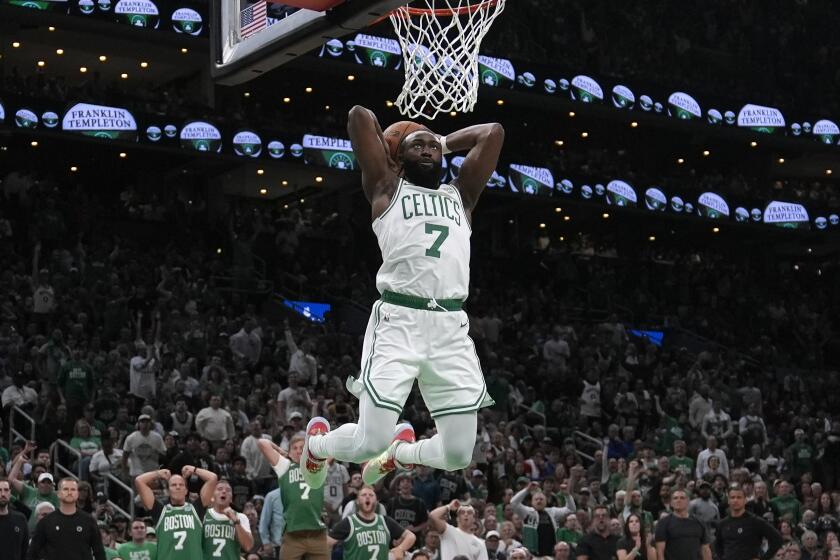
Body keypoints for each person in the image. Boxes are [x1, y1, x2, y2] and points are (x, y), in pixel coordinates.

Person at [304, 106, 505, 488]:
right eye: (418, 146)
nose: (429, 149)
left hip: (449, 326)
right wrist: (389, 144)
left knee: (458, 453)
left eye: (434, 146)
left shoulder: (461, 196)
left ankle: (401, 453)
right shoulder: (386, 188)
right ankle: (318, 445)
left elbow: (492, 132)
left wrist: (443, 141)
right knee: (367, 442)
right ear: (398, 157)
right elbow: (359, 116)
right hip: (400, 319)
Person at [256, 435, 328, 560]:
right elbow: (262, 443)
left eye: (302, 447)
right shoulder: (284, 466)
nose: (299, 450)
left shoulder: (319, 465)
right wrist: (280, 451)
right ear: (289, 452)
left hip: (317, 533)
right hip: (293, 535)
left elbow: (333, 449)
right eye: (294, 448)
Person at [134, 465, 218, 560]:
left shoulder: (196, 509)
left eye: (181, 485)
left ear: (186, 490)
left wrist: (194, 470)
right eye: (173, 485)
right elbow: (139, 481)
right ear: (168, 491)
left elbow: (213, 478)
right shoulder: (160, 511)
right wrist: (158, 473)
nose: (178, 487)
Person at [327, 485, 416, 560]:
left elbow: (411, 536)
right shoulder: (348, 523)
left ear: (376, 501)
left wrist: (400, 548)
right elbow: (327, 543)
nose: (367, 497)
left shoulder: (385, 521)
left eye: (371, 495)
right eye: (364, 495)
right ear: (357, 501)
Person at [27, 478, 105, 560]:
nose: (69, 492)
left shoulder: (89, 521)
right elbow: (32, 553)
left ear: (77, 494)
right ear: (58, 493)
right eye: (65, 489)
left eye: (73, 489)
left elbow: (99, 553)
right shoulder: (46, 522)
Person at [511, 480, 577, 556]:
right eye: (536, 499)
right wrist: (527, 490)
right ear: (532, 502)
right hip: (532, 555)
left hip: (551, 554)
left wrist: (567, 495)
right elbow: (513, 503)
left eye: (541, 499)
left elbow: (571, 509)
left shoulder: (553, 512)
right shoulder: (527, 512)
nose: (539, 501)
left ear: (546, 502)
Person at [715, 485, 783, 560]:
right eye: (732, 497)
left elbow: (777, 539)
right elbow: (718, 546)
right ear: (728, 501)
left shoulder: (755, 521)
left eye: (739, 497)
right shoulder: (722, 523)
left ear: (745, 500)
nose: (735, 500)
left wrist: (763, 558)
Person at [8, 442, 58, 529]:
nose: (46, 485)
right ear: (38, 484)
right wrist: (20, 462)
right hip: (27, 532)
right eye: (43, 482)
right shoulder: (29, 491)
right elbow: (11, 479)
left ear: (53, 484)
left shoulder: (56, 496)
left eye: (48, 482)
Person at [202, 480, 253, 560]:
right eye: (219, 489)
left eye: (228, 490)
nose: (224, 491)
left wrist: (236, 522)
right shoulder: (203, 515)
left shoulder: (240, 517)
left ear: (231, 499)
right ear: (212, 496)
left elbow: (248, 546)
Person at [654, 490, 712, 560]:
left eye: (682, 498)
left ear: (688, 502)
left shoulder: (699, 522)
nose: (678, 500)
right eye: (675, 498)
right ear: (671, 503)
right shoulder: (663, 523)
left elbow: (705, 549)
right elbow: (660, 552)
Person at [0, 477, 29, 560]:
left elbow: (25, 550)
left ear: (10, 493)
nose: (3, 494)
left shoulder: (20, 519)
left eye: (6, 490)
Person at [258, 487, 284, 560]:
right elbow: (264, 521)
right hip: (279, 544)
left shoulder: (300, 495)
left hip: (299, 541)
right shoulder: (272, 496)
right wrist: (266, 542)